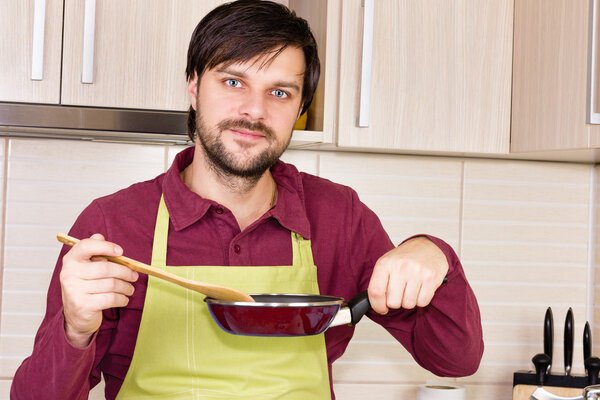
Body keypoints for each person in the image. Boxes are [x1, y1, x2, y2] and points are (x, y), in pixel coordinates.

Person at [11, 1, 483, 399]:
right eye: (233, 82)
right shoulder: (113, 226)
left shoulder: (339, 218)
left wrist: (434, 254)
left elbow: (453, 360)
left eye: (279, 92)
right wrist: (75, 330)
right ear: (194, 86)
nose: (254, 111)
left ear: (299, 110)